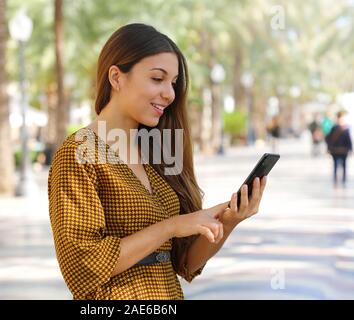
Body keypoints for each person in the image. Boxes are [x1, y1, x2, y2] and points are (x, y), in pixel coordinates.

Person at [48, 23, 268, 300]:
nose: (170, 94)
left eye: (173, 83)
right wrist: (172, 225)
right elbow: (81, 266)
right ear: (116, 77)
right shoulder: (79, 152)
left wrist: (228, 222)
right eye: (157, 79)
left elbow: (184, 263)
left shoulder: (158, 151)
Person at [325, 111, 352, 188]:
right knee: (336, 166)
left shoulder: (345, 128)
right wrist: (329, 148)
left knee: (343, 166)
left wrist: (350, 149)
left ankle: (343, 181)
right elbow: (329, 139)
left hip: (343, 151)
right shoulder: (334, 128)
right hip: (335, 150)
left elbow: (348, 140)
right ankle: (335, 180)